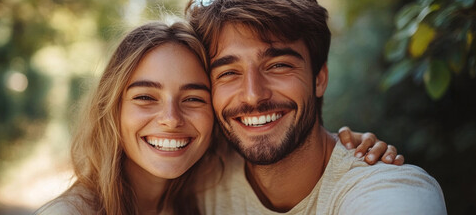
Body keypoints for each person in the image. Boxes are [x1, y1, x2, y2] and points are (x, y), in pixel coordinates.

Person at [34, 21, 402, 214]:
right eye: (146, 97)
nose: (170, 119)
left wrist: (343, 145)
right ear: (112, 108)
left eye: (193, 98)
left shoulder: (209, 178)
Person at [185, 0, 447, 214]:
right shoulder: (198, 177)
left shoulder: (392, 189)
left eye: (278, 66)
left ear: (319, 79)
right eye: (228, 73)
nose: (254, 95)